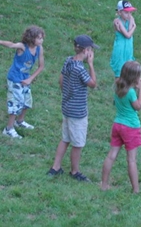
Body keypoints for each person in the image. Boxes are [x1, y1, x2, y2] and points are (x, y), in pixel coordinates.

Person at [47, 35, 98, 182]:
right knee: (78, 143)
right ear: (86, 50)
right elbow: (93, 84)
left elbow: (61, 80)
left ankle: (55, 167)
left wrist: (67, 94)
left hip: (67, 107)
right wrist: (91, 65)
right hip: (78, 113)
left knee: (65, 138)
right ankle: (75, 171)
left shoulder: (68, 61)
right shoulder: (80, 68)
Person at [0, 25, 45, 139]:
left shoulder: (39, 48)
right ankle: (8, 129)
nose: (42, 40)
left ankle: (19, 121)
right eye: (39, 38)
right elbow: (11, 44)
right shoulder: (22, 47)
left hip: (25, 79)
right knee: (16, 103)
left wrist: (30, 78)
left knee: (26, 101)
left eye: (42, 38)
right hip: (15, 79)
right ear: (31, 38)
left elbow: (41, 66)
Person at [101, 61, 141, 193]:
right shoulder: (131, 92)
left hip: (117, 124)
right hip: (131, 127)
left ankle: (104, 184)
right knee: (131, 160)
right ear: (135, 78)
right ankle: (136, 189)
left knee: (111, 155)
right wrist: (140, 89)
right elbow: (138, 106)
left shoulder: (118, 86)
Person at [110, 0, 137, 79]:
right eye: (126, 12)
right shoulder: (118, 21)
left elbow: (129, 28)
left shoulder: (130, 18)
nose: (129, 15)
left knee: (129, 70)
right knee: (119, 72)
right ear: (119, 12)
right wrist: (134, 27)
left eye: (130, 12)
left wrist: (131, 19)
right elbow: (128, 35)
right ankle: (118, 90)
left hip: (128, 48)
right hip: (120, 48)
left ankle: (127, 90)